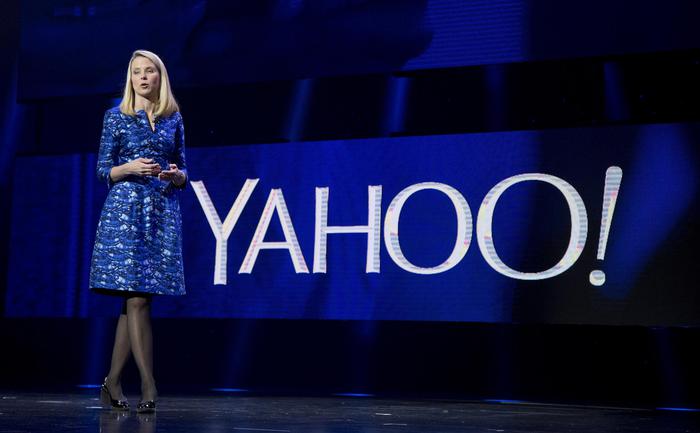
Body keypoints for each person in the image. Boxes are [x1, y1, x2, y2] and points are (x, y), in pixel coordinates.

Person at [89, 49, 187, 413]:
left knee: (134, 303)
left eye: (150, 71)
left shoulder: (173, 118)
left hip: (160, 213)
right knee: (136, 299)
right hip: (124, 215)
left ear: (160, 77)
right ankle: (149, 384)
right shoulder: (115, 117)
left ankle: (112, 381)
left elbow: (184, 171)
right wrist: (127, 167)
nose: (143, 78)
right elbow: (103, 171)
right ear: (129, 79)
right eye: (136, 72)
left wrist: (177, 176)